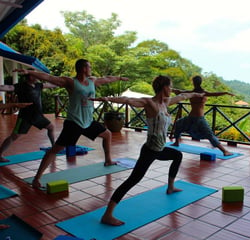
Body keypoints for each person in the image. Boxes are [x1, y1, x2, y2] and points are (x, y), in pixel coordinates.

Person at [89, 75, 204, 226]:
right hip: (150, 150)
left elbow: (183, 96)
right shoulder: (150, 103)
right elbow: (128, 100)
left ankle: (170, 187)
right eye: (170, 86)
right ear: (164, 87)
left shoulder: (166, 102)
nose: (171, 89)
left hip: (160, 148)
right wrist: (107, 99)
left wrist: (196, 94)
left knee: (177, 155)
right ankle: (107, 214)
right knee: (133, 180)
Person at [14, 59, 129, 189]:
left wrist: (119, 78)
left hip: (88, 122)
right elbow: (50, 77)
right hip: (74, 123)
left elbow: (107, 79)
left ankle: (108, 160)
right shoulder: (70, 82)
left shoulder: (92, 81)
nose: (91, 69)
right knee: (55, 150)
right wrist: (30, 72)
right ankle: (37, 178)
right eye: (89, 66)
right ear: (83, 68)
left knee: (107, 134)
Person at [171, 75, 235, 156]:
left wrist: (170, 89)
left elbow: (179, 91)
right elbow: (215, 94)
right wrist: (226, 92)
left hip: (197, 118)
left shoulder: (196, 93)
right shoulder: (198, 93)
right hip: (193, 117)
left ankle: (224, 151)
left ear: (193, 83)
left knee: (209, 134)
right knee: (179, 123)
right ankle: (176, 142)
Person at [0, 74, 56, 162]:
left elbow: (52, 84)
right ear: (30, 77)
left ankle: (54, 148)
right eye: (35, 76)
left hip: (38, 116)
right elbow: (8, 87)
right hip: (25, 117)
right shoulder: (21, 86)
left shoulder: (38, 85)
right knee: (14, 136)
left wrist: (65, 83)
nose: (38, 77)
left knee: (51, 127)